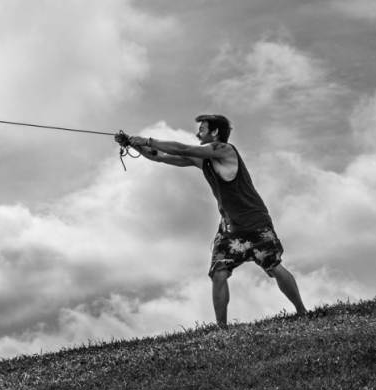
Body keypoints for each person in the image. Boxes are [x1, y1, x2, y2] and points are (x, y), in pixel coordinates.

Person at [122, 114, 307, 326]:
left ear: (215, 132)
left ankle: (302, 312)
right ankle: (221, 328)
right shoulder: (203, 160)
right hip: (230, 228)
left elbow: (182, 149)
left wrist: (146, 140)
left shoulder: (226, 150)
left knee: (273, 266)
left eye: (202, 129)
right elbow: (158, 156)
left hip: (255, 221)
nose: (197, 133)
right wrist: (132, 143)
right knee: (219, 270)